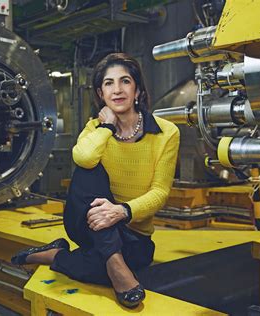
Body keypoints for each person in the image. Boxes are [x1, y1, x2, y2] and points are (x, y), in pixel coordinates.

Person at [11, 52, 180, 309]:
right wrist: (108, 127)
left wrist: (121, 211)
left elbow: (160, 192)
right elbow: (84, 157)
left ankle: (56, 255)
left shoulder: (166, 132)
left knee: (134, 259)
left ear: (137, 90)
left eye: (125, 81)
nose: (117, 90)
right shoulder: (95, 129)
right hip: (86, 221)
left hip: (131, 227)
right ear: (101, 94)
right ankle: (114, 262)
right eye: (109, 83)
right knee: (88, 169)